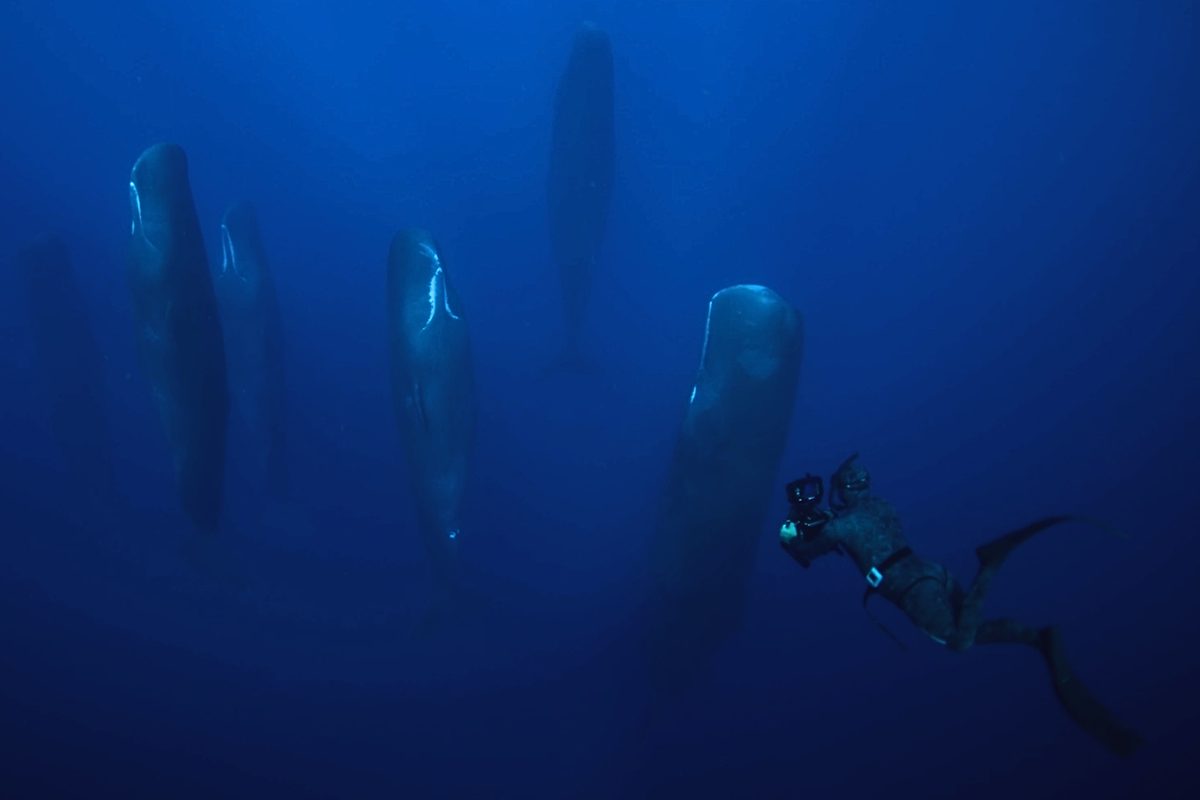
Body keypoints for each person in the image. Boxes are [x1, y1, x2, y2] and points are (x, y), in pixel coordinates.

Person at [780, 453, 1143, 757]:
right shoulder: (881, 506)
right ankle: (1035, 638)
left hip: (911, 591)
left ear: (841, 489)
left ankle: (990, 565)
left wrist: (791, 534)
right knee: (970, 624)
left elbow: (808, 550)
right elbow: (866, 530)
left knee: (957, 640)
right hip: (933, 572)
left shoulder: (842, 525)